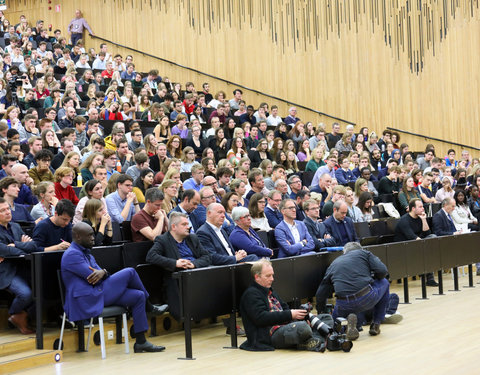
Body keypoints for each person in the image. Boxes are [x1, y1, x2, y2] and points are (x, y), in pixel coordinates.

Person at [61, 222, 167, 353]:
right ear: (77, 236)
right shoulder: (72, 254)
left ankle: (141, 342)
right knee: (130, 272)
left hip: (97, 292)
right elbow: (92, 277)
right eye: (89, 236)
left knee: (138, 296)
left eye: (93, 235)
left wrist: (104, 272)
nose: (93, 238)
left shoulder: (87, 253)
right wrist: (103, 273)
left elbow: (100, 274)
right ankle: (150, 307)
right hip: (87, 299)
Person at [239, 259, 323, 351]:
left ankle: (309, 342)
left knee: (325, 318)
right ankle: (317, 339)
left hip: (285, 327)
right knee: (303, 328)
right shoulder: (251, 294)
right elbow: (261, 318)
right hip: (269, 335)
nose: (272, 279)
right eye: (268, 276)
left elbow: (285, 308)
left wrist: (300, 317)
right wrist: (290, 315)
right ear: (257, 277)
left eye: (272, 275)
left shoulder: (271, 291)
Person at [315, 242, 390, 338]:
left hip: (342, 304)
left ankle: (343, 329)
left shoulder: (334, 263)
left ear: (344, 252)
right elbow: (383, 271)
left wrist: (321, 314)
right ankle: (376, 323)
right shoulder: (365, 253)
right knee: (384, 282)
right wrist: (373, 278)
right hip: (365, 298)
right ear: (360, 249)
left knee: (335, 327)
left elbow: (320, 294)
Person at [146, 212, 211, 319]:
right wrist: (175, 263)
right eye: (184, 224)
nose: (188, 227)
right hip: (177, 278)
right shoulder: (163, 240)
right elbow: (151, 256)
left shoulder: (192, 238)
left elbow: (207, 257)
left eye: (188, 224)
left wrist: (194, 264)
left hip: (196, 273)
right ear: (174, 227)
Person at [0, 198, 37, 334]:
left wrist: (16, 245)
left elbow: (33, 245)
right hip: (5, 271)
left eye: (8, 209)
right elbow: (4, 251)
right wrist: (22, 246)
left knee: (44, 287)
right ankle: (15, 314)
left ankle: (19, 316)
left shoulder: (15, 226)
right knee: (26, 294)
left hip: (23, 266)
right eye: (2, 210)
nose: (7, 212)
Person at [394, 198, 438, 286]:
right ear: (413, 209)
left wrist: (424, 219)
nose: (423, 208)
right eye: (420, 207)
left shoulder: (419, 217)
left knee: (433, 237)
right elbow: (412, 237)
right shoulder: (404, 221)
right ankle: (428, 277)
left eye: (422, 206)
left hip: (417, 245)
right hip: (404, 247)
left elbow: (427, 233)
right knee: (427, 248)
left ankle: (429, 277)